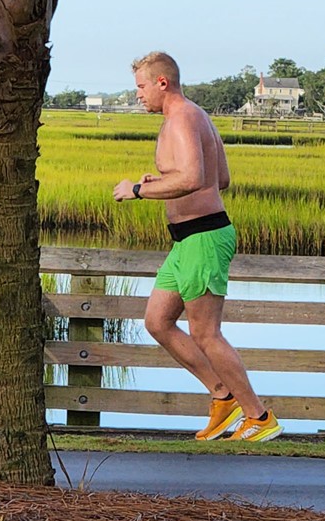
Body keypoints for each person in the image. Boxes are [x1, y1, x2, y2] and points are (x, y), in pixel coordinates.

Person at [113, 52, 281, 442]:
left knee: (207, 333)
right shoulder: (196, 116)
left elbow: (194, 178)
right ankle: (223, 397)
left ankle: (258, 416)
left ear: (161, 83)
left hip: (204, 236)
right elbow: (219, 178)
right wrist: (162, 179)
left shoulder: (183, 118)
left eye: (140, 86)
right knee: (157, 321)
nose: (137, 95)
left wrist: (139, 190)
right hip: (187, 240)